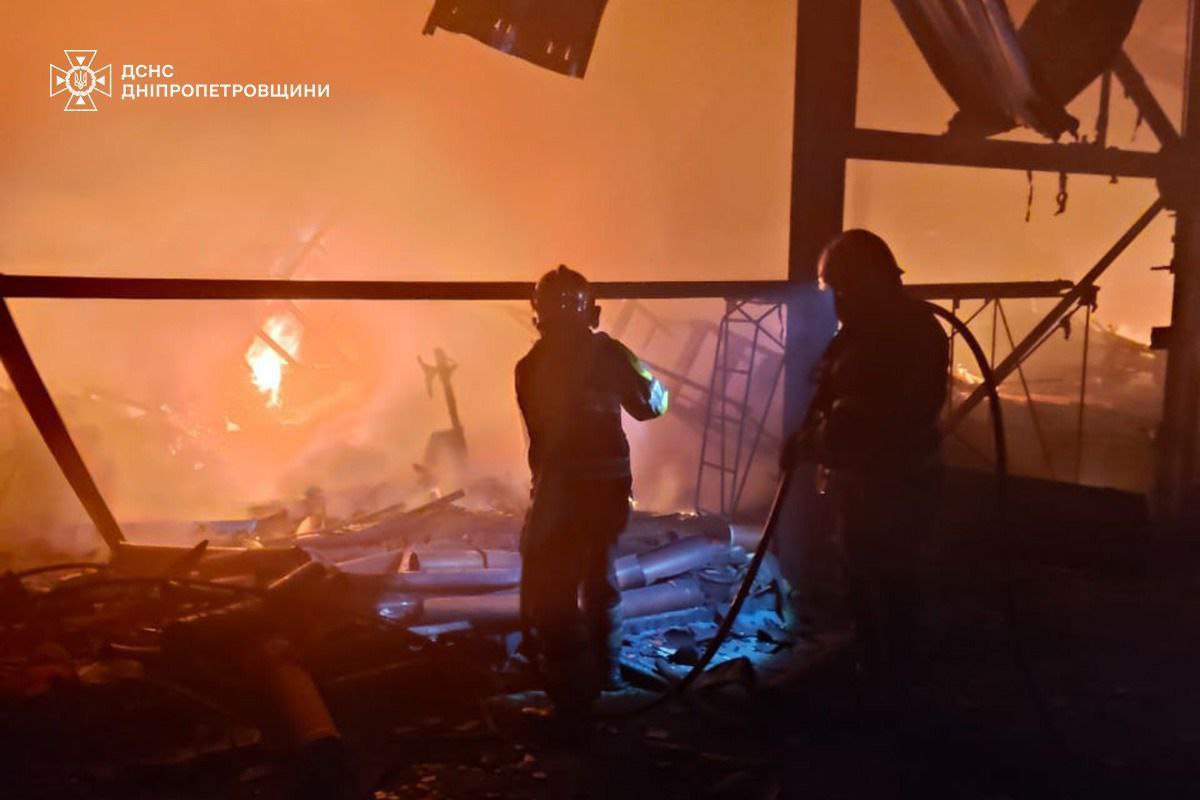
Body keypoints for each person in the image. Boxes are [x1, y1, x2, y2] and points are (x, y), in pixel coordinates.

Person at [782, 230, 948, 709]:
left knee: (880, 583)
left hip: (888, 485)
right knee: (881, 580)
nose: (836, 304)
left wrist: (807, 444)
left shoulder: (885, 339)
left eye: (841, 290)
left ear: (862, 285)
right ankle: (887, 678)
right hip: (892, 481)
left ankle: (886, 687)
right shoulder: (898, 330)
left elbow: (857, 427)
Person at [515, 265, 668, 730]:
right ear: (593, 312)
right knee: (600, 576)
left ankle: (571, 693)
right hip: (606, 492)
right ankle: (607, 673)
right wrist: (625, 363)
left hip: (557, 494)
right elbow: (653, 404)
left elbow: (538, 437)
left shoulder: (529, 366)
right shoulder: (609, 354)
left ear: (538, 316)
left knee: (555, 589)